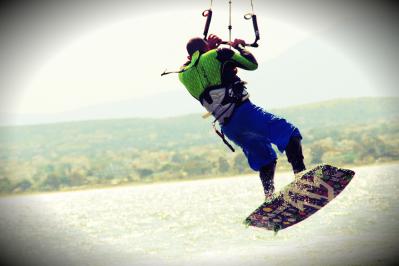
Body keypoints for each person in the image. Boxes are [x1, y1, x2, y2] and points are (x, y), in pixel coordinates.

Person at [178, 34, 306, 199]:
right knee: (290, 133)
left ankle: (269, 197)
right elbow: (252, 65)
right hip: (245, 114)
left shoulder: (183, 74)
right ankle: (303, 179)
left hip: (230, 128)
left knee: (265, 159)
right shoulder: (218, 53)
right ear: (205, 48)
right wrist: (239, 47)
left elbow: (191, 63)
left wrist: (206, 47)